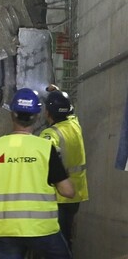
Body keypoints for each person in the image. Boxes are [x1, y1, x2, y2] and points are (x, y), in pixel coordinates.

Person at [0, 88, 75, 259]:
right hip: (42, 230)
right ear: (37, 116)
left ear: (12, 114)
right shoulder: (45, 149)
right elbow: (68, 192)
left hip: (5, 230)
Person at [40, 85, 89, 251]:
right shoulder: (75, 124)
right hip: (76, 194)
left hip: (58, 196)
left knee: (55, 243)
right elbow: (69, 109)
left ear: (48, 113)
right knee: (66, 236)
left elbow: (41, 160)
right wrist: (58, 92)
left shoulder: (50, 134)